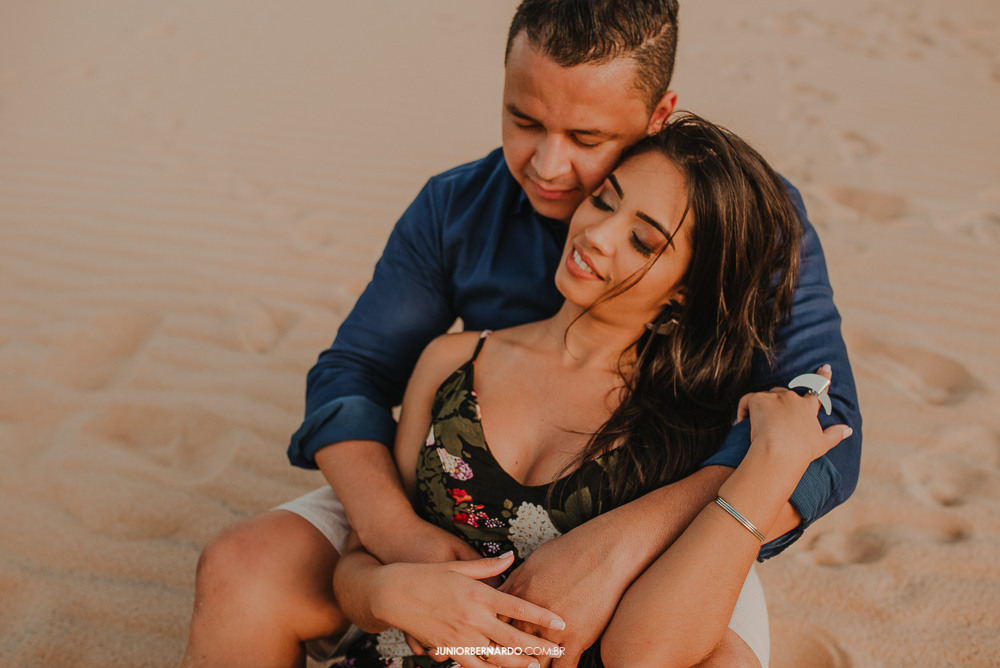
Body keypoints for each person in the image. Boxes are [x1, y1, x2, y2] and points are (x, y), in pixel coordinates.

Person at [181, 2, 861, 667]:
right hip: (459, 490)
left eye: (587, 139)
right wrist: (401, 541)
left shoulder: (739, 219)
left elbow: (822, 424)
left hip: (663, 498)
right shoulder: (455, 209)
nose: (548, 165)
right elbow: (353, 375)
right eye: (524, 121)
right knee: (244, 567)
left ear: (658, 116)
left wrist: (616, 547)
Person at [327, 115, 851, 668]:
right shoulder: (452, 361)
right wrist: (384, 594)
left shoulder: (689, 433)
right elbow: (358, 563)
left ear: (684, 292)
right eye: (603, 201)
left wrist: (773, 461)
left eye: (642, 241)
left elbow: (651, 653)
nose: (597, 235)